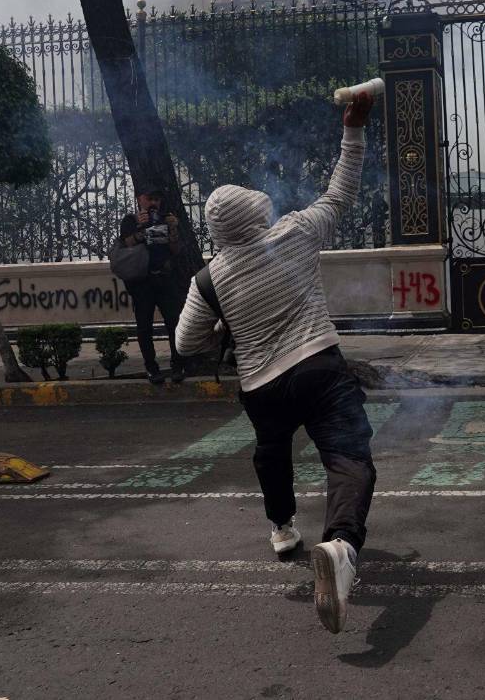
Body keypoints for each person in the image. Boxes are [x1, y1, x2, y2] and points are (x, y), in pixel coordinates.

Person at [175, 91, 376, 634]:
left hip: (262, 384)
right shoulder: (294, 233)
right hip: (318, 365)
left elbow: (185, 344)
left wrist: (223, 325)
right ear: (254, 213)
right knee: (348, 457)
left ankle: (284, 529)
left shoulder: (208, 278)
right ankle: (341, 546)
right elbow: (341, 192)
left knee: (272, 452)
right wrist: (352, 129)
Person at [118, 190, 187, 384]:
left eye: (157, 199)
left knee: (174, 322)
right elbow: (126, 246)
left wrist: (172, 229)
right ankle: (151, 368)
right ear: (140, 199)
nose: (153, 203)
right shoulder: (130, 220)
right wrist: (141, 228)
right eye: (149, 199)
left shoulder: (167, 219)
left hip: (164, 279)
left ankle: (177, 365)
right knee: (144, 327)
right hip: (142, 282)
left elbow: (175, 250)